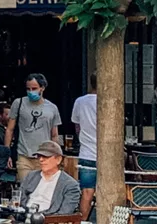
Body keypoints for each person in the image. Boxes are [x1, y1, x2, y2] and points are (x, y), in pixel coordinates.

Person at [6, 74, 61, 181]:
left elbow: (54, 135)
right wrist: (6, 152)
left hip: (45, 156)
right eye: (28, 89)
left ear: (43, 88)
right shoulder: (19, 103)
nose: (31, 91)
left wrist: (55, 156)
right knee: (25, 189)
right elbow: (9, 129)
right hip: (24, 155)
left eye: (34, 88)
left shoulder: (52, 108)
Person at [14, 141, 81, 218]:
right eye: (39, 156)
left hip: (49, 220)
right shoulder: (31, 176)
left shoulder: (70, 185)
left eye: (46, 156)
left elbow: (65, 214)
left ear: (58, 159)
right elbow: (20, 200)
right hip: (24, 217)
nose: (41, 160)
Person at [69, 77, 98, 216]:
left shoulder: (80, 102)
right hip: (107, 155)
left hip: (87, 152)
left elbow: (77, 126)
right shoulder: (110, 101)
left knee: (87, 191)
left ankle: (83, 220)